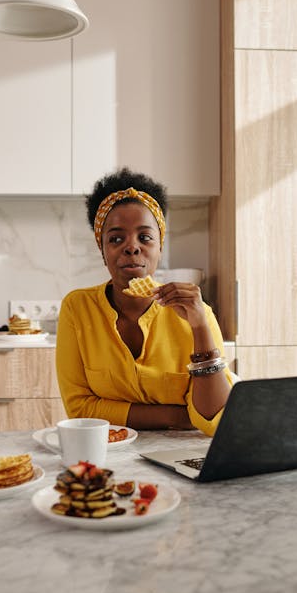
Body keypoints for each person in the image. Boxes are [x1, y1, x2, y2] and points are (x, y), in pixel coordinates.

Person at [55, 168, 236, 436]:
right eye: (116, 238)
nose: (132, 247)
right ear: (103, 251)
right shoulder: (77, 308)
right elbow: (80, 410)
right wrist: (178, 415)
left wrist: (199, 327)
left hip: (179, 454)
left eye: (145, 237)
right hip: (108, 451)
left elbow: (214, 418)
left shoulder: (196, 312)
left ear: (159, 248)